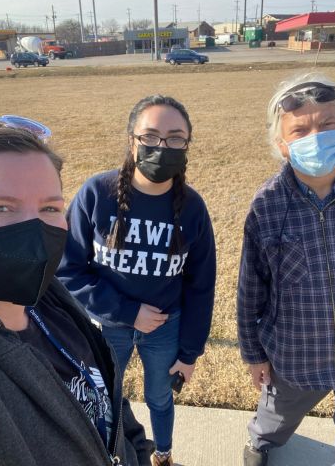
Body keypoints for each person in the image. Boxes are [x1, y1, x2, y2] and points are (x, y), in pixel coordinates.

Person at [57, 95, 216, 466]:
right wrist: (127, 311)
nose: (162, 147)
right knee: (106, 397)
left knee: (160, 398)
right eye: (151, 136)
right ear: (132, 140)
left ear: (187, 145)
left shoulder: (192, 208)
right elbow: (67, 269)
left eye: (175, 138)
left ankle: (162, 454)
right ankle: (110, 453)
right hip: (107, 327)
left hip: (166, 328)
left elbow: (201, 285)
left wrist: (190, 352)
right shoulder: (97, 193)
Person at [0, 117, 153, 466]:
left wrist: (138, 451)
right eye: (0, 207)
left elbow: (109, 396)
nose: (33, 228)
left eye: (50, 207)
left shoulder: (52, 301)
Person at [237, 72, 335, 466]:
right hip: (295, 357)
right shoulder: (267, 205)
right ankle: (259, 446)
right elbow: (250, 288)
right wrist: (253, 354)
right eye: (300, 130)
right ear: (282, 146)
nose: (316, 136)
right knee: (274, 420)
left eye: (327, 125)